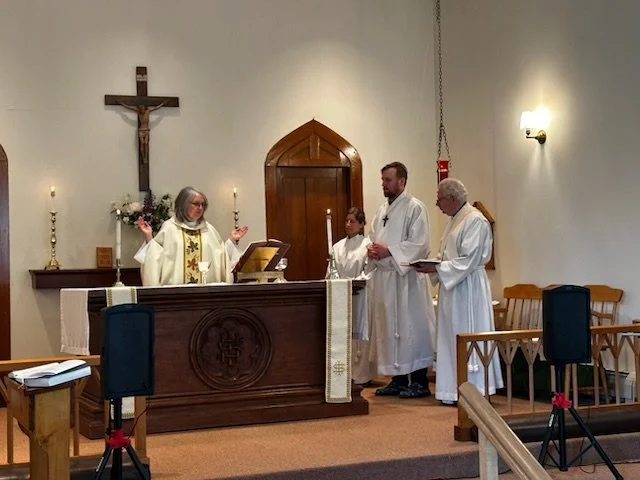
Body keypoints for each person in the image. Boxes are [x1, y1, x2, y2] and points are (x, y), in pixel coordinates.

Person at [415, 178, 503, 405]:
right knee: (449, 336)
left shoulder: (474, 220)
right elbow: (448, 256)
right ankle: (452, 391)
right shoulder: (455, 220)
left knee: (467, 334)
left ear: (452, 198)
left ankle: (475, 388)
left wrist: (438, 268)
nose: (437, 205)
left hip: (468, 288)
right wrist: (432, 265)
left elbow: (469, 259)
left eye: (439, 200)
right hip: (453, 288)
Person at [366, 162, 436, 398]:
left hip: (408, 281)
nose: (383, 184)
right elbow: (373, 236)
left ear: (402, 182)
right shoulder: (381, 210)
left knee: (411, 328)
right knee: (390, 328)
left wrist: (390, 251)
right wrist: (372, 250)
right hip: (386, 279)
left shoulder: (415, 208)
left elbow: (420, 244)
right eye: (383, 179)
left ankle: (419, 381)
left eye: (388, 180)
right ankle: (397, 379)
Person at [134, 186, 248, 286]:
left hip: (206, 297)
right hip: (174, 297)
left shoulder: (208, 229)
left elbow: (221, 258)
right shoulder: (169, 228)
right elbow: (154, 258)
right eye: (196, 204)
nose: (200, 208)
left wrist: (232, 240)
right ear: (183, 204)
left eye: (203, 205)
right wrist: (149, 236)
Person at [331, 207, 373, 385]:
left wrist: (356, 282)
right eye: (346, 220)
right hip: (342, 295)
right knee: (345, 333)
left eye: (352, 221)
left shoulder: (368, 245)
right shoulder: (337, 247)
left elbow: (369, 269)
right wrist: (339, 283)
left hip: (361, 295)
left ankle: (362, 375)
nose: (348, 224)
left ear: (362, 224)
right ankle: (346, 373)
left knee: (361, 334)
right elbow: (332, 270)